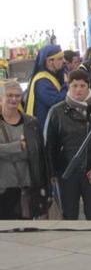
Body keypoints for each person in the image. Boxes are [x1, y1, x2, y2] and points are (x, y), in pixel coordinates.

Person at [44, 69, 91, 221]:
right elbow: (50, 146)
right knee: (69, 214)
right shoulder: (56, 112)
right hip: (66, 172)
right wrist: (51, 173)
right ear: (68, 86)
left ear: (89, 86)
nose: (78, 90)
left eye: (82, 85)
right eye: (74, 85)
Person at [0, 80, 50, 220]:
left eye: (17, 95)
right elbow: (24, 150)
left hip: (26, 187)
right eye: (9, 95)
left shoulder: (31, 123)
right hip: (3, 188)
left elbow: (37, 154)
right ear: (1, 98)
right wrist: (18, 146)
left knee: (26, 232)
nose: (14, 99)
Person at [23, 44, 67, 130]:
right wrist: (66, 84)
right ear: (49, 61)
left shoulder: (53, 75)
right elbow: (57, 102)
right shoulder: (42, 81)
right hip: (43, 129)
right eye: (60, 59)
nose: (64, 61)